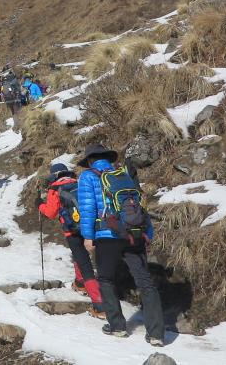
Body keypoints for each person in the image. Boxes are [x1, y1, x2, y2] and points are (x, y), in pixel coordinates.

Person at [77, 143, 165, 346]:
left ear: (90, 160)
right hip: (134, 233)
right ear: (108, 158)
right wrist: (147, 233)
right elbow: (140, 204)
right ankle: (156, 334)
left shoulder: (88, 177)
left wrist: (88, 236)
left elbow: (88, 209)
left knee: (106, 279)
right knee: (145, 281)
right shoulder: (123, 174)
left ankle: (117, 326)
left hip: (107, 235)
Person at [38, 162, 106, 319]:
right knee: (83, 258)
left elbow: (51, 213)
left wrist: (40, 205)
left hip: (71, 231)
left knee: (84, 263)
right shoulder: (80, 182)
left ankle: (100, 306)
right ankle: (80, 283)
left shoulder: (55, 189)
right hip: (90, 227)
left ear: (54, 175)